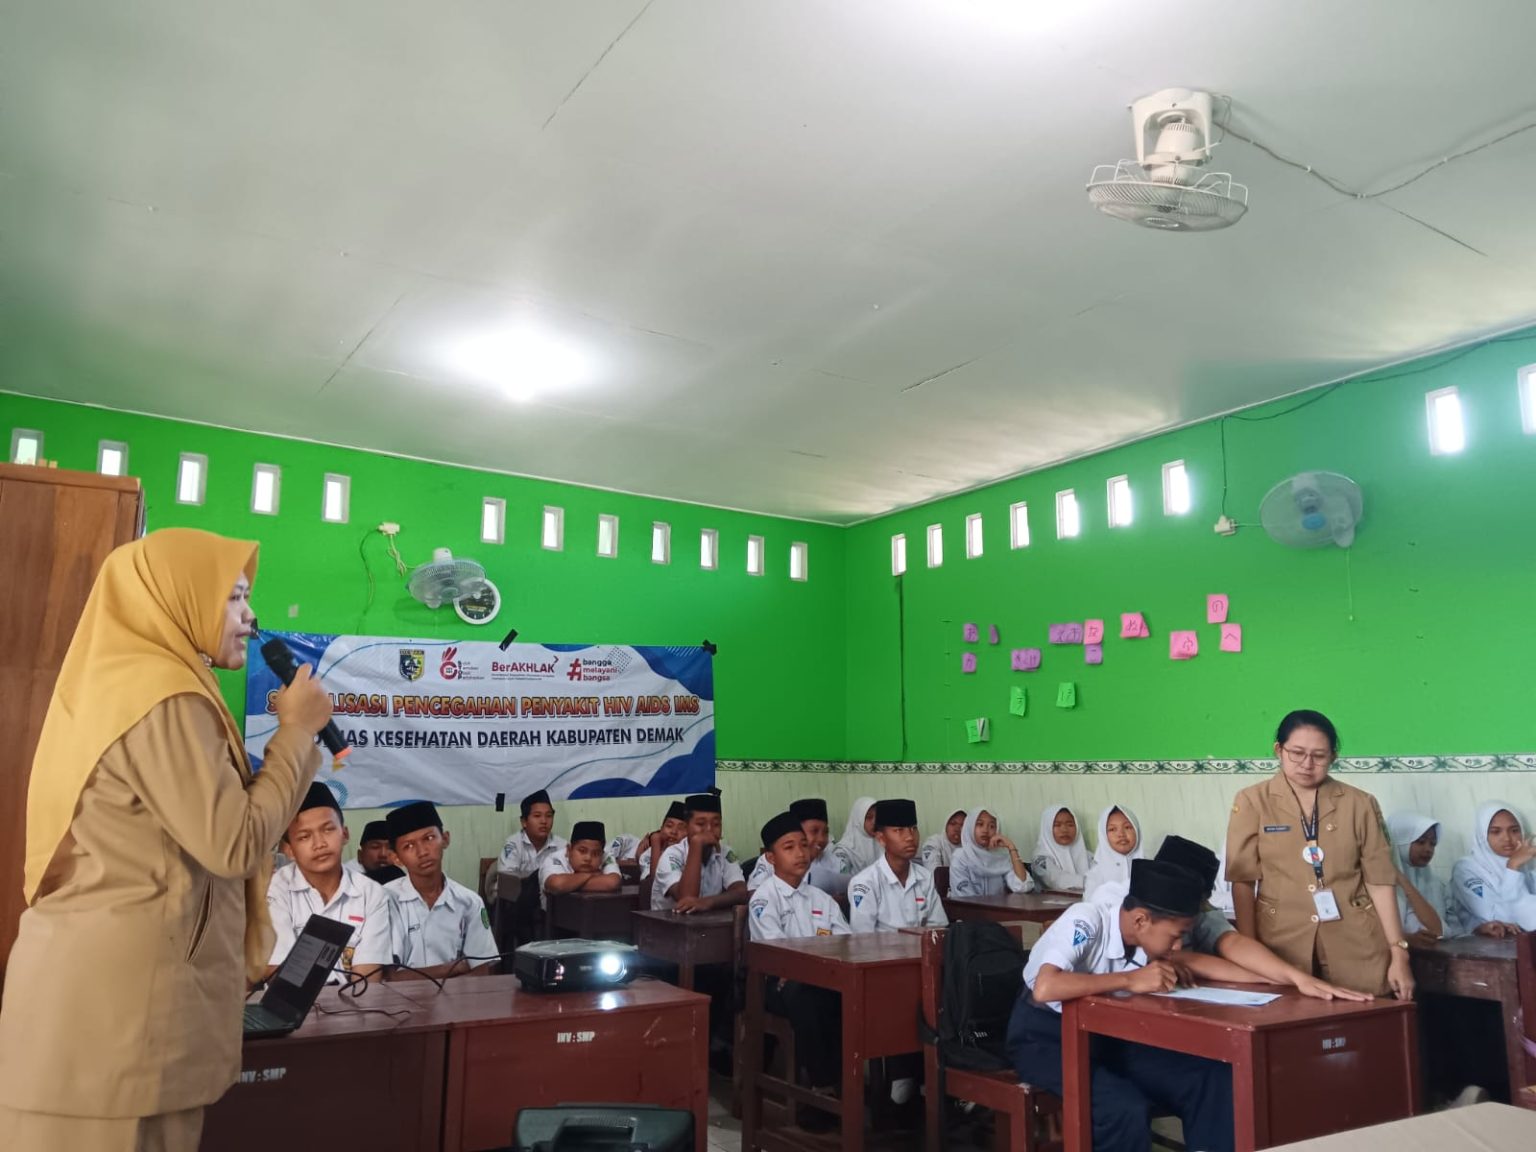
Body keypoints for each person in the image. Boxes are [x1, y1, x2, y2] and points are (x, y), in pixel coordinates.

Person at [0, 528, 333, 1152]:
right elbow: (234, 843)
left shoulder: (131, 682)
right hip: (120, 1024)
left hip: (107, 1014)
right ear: (177, 597)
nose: (250, 615)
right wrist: (295, 733)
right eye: (234, 597)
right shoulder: (159, 695)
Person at [1006, 859, 1237, 1152]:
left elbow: (1204, 964)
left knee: (1209, 1078)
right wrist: (1129, 980)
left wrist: (1283, 977)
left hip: (1106, 1038)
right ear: (1140, 920)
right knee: (1122, 1108)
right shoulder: (1087, 920)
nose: (1178, 947)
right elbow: (1045, 987)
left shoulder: (1144, 942)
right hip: (1043, 1039)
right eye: (1175, 936)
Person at [1226, 709, 1414, 998]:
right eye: (1297, 753)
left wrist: (1398, 953)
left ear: (1333, 757)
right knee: (1290, 1018)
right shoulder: (1252, 801)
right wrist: (1252, 955)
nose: (1307, 764)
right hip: (1280, 942)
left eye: (1319, 756)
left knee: (1368, 1017)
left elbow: (1379, 881)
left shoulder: (1360, 803)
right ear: (1278, 750)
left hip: (1356, 942)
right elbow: (1243, 881)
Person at [1092, 835, 1370, 1002]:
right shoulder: (1117, 899)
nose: (1200, 908)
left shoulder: (1197, 908)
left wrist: (1294, 978)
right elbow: (1178, 958)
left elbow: (1232, 943)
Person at [748, 811, 849, 1128]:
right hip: (776, 985)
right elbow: (777, 955)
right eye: (789, 847)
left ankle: (842, 1085)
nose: (801, 853)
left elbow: (845, 943)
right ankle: (822, 1087)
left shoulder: (822, 899)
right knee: (805, 995)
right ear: (770, 857)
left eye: (804, 845)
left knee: (843, 998)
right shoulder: (764, 898)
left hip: (818, 980)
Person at [265, 783, 392, 983]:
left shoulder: (372, 893)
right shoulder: (274, 890)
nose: (320, 844)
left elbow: (367, 979)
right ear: (289, 850)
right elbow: (278, 973)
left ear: (345, 834)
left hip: (355, 1001)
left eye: (328, 829)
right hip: (290, 1002)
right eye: (304, 836)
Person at [384, 801, 499, 978]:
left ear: (445, 839)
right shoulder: (384, 900)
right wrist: (452, 968)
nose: (422, 852)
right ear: (396, 858)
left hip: (458, 996)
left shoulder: (469, 902)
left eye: (429, 838)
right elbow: (388, 977)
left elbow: (481, 972)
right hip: (400, 997)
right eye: (409, 846)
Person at [847, 799, 949, 932]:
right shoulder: (865, 883)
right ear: (881, 838)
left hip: (921, 945)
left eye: (913, 829)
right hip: (881, 946)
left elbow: (938, 928)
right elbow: (862, 938)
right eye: (899, 830)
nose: (910, 837)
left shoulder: (925, 877)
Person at [651, 793, 747, 913]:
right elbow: (686, 900)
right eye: (701, 824)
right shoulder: (671, 855)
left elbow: (741, 893)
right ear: (686, 827)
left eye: (716, 824)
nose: (709, 830)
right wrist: (696, 844)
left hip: (706, 920)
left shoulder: (726, 852)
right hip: (665, 922)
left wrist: (707, 902)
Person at [1451, 802, 1536, 936]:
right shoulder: (1466, 868)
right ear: (1482, 835)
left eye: (1514, 830)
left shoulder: (1527, 865)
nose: (1507, 838)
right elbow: (1499, 916)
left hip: (1522, 941)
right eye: (1496, 832)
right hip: (1484, 946)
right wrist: (1512, 867)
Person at [1386, 811, 1453, 943]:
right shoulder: (1382, 882)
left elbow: (1438, 931)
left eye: (1432, 843)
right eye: (1421, 842)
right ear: (1398, 841)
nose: (1428, 849)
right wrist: (1406, 939)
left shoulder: (1435, 883)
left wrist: (1403, 881)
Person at [746, 797, 839, 892]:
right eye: (814, 831)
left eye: (825, 832)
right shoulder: (774, 858)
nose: (821, 839)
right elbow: (753, 893)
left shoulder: (830, 858)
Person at [949, 809, 1035, 897]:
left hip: (998, 906)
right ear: (970, 827)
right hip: (968, 906)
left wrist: (1011, 847)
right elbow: (964, 898)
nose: (985, 830)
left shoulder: (1000, 857)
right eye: (980, 824)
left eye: (992, 826)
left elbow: (1023, 887)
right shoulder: (961, 857)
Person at [539, 820, 623, 907]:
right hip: (556, 913)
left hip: (593, 911)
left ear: (602, 853)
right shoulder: (554, 858)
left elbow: (613, 882)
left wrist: (568, 885)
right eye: (582, 851)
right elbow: (557, 885)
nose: (588, 858)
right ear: (569, 850)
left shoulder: (606, 856)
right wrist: (591, 874)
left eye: (595, 853)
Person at [1083, 805, 1143, 899]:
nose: (1121, 834)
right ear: (1104, 835)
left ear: (1136, 831)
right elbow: (1090, 904)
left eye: (1127, 827)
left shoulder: (1149, 869)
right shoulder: (1095, 875)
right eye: (1112, 829)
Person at [1031, 803, 1091, 892]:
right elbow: (1056, 879)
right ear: (1047, 828)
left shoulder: (1088, 856)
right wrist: (1089, 881)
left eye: (1070, 825)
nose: (1064, 830)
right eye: (1057, 825)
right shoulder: (1040, 859)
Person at [828, 796, 880, 887]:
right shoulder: (844, 850)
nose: (874, 822)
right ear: (858, 820)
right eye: (869, 817)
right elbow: (839, 881)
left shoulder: (882, 842)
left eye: (877, 817)